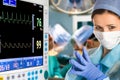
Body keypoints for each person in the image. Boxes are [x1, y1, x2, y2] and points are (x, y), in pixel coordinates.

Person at [65, 0, 120, 80]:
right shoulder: (89, 55)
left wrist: (100, 78)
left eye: (111, 27)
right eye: (98, 27)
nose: (104, 33)